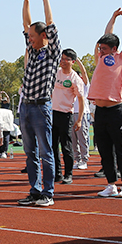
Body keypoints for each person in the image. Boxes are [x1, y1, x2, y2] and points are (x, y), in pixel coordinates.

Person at [17, 0, 63, 207]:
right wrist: (26, 1)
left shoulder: (53, 51)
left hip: (41, 107)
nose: (31, 39)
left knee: (46, 150)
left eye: (34, 37)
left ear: (43, 36)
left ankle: (48, 192)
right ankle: (34, 190)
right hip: (25, 106)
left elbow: (50, 22)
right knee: (30, 152)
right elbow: (27, 24)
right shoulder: (32, 50)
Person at [88, 8, 122, 198]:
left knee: (121, 148)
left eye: (104, 49)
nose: (100, 51)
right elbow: (107, 33)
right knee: (105, 150)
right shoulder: (101, 58)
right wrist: (113, 17)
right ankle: (111, 184)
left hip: (116, 110)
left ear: (114, 49)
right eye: (100, 48)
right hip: (100, 111)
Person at [51, 49, 86, 184]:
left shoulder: (75, 79)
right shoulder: (55, 73)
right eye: (62, 58)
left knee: (66, 146)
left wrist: (79, 120)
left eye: (67, 59)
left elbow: (81, 100)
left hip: (66, 115)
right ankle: (57, 173)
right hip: (52, 113)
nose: (63, 61)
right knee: (52, 146)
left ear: (73, 62)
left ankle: (68, 174)